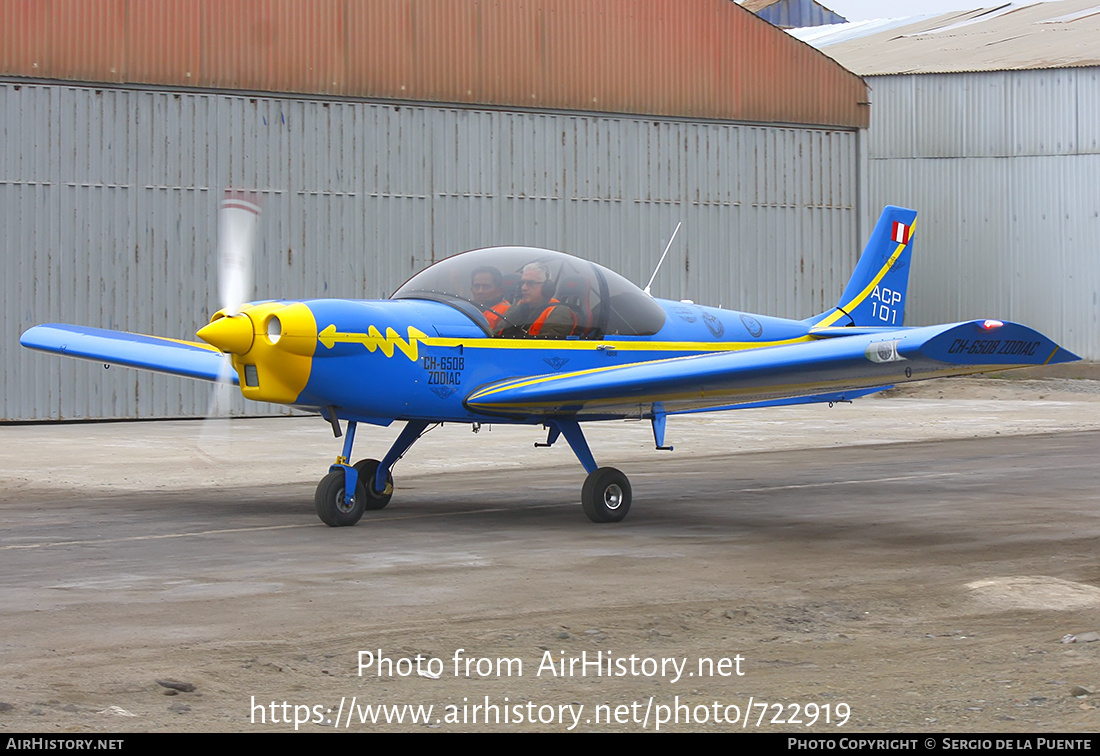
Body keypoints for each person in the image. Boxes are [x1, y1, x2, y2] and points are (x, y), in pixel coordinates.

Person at [495, 262, 576, 338]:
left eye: (531, 283)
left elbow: (544, 348)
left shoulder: (559, 313)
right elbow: (495, 334)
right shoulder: (517, 308)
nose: (524, 288)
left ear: (547, 287)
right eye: (522, 283)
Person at [470, 266, 510, 331]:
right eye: (477, 286)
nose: (480, 291)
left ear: (499, 290)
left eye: (486, 286)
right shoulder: (465, 309)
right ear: (471, 289)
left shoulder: (507, 312)